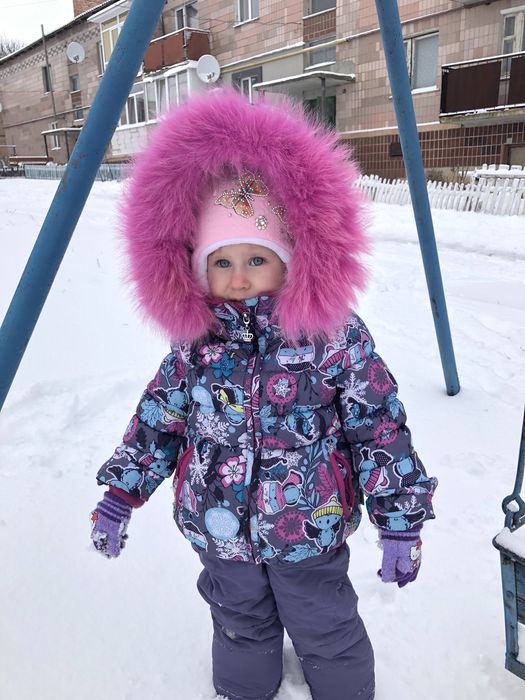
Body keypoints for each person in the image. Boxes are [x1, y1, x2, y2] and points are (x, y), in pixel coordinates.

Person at [90, 89, 437, 700]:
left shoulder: (330, 335)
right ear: (198, 267)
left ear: (290, 259)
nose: (239, 277)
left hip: (309, 527)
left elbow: (378, 426)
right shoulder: (197, 342)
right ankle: (243, 690)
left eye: (257, 258)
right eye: (221, 262)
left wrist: (400, 520)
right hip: (220, 527)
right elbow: (159, 421)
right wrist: (121, 493)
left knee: (325, 624)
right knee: (239, 622)